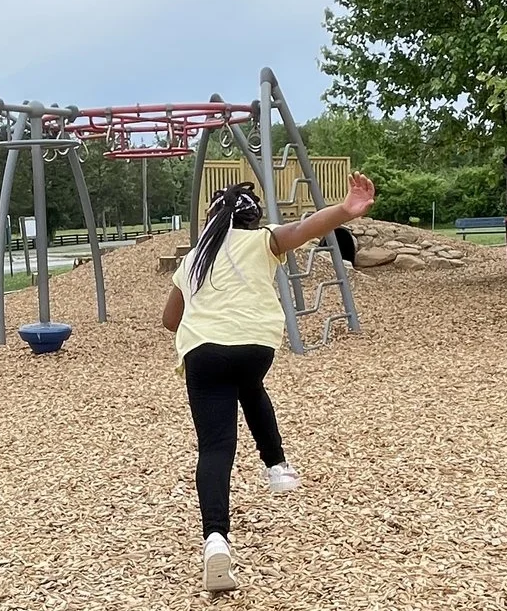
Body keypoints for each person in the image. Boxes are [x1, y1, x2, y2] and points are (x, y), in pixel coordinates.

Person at [157, 173, 375, 593]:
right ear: (253, 220)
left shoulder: (193, 260)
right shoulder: (262, 241)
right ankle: (277, 467)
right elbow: (303, 228)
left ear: (211, 222)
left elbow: (170, 321)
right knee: (251, 388)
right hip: (256, 346)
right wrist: (346, 210)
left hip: (203, 352)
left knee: (216, 447)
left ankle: (215, 538)